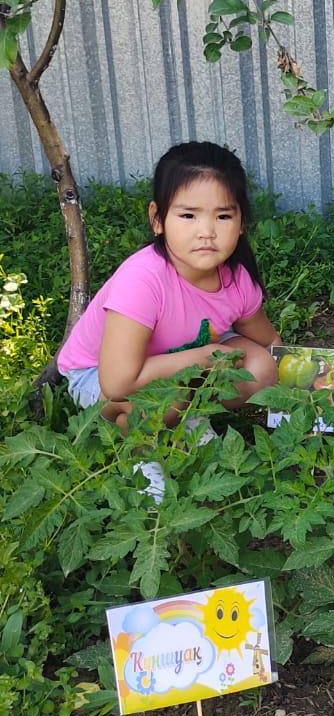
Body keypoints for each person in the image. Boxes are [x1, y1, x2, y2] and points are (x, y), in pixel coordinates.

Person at [56, 141, 280, 498]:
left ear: (241, 223)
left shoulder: (236, 280)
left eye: (223, 216)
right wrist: (205, 358)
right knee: (170, 394)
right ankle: (141, 451)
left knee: (261, 366)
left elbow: (271, 346)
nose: (206, 230)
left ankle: (187, 419)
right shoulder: (143, 279)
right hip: (98, 376)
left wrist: (314, 383)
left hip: (177, 363)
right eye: (188, 215)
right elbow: (116, 382)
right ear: (157, 219)